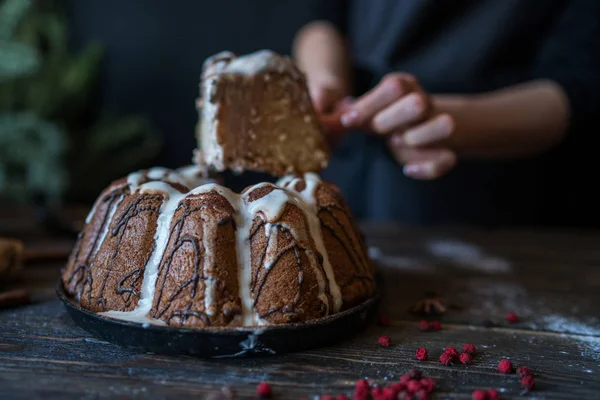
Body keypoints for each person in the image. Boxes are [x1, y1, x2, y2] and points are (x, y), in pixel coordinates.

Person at [292, 0, 600, 226]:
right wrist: (325, 82)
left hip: (495, 207)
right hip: (349, 179)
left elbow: (580, 85)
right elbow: (323, 18)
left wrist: (452, 122)